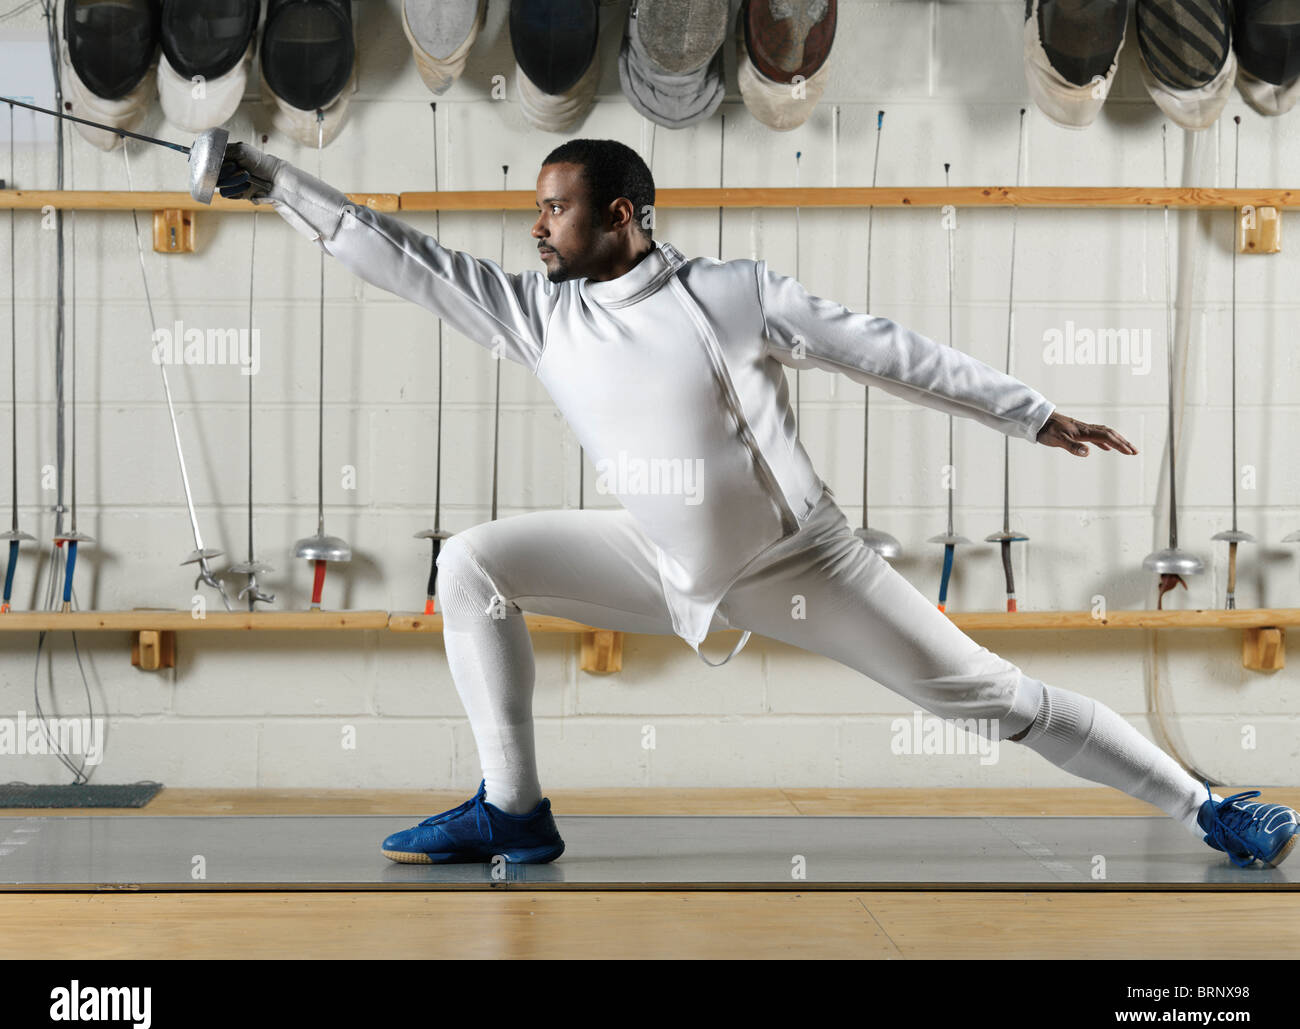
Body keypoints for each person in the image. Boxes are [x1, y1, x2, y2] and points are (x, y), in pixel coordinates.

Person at [217, 138, 1297, 870]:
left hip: (804, 571)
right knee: (473, 564)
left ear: (621, 214)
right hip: (661, 560)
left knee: (994, 699)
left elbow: (888, 352)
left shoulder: (727, 296)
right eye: (535, 209)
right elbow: (396, 256)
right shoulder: (542, 318)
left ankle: (1209, 807)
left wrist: (1030, 414)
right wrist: (270, 180)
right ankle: (514, 813)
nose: (535, 228)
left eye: (554, 209)